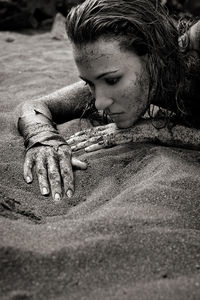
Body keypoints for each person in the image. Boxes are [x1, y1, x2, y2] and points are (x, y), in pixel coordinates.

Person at [15, 0, 200, 203]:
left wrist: (158, 131)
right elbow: (34, 107)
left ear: (152, 54)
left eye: (112, 80)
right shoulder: (138, 73)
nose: (99, 103)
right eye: (91, 83)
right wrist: (44, 139)